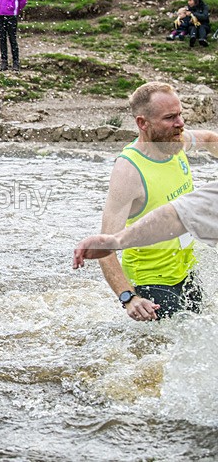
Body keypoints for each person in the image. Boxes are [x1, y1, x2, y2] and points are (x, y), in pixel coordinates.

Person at [92, 82, 218, 321]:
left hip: (186, 272)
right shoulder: (128, 171)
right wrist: (129, 298)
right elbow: (104, 247)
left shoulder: (175, 142)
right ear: (143, 123)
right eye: (170, 118)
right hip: (152, 284)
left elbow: (211, 139)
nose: (180, 123)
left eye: (180, 114)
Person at [74, 181, 218, 269]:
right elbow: (175, 217)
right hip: (149, 273)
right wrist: (115, 241)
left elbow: (175, 217)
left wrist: (116, 241)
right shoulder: (127, 171)